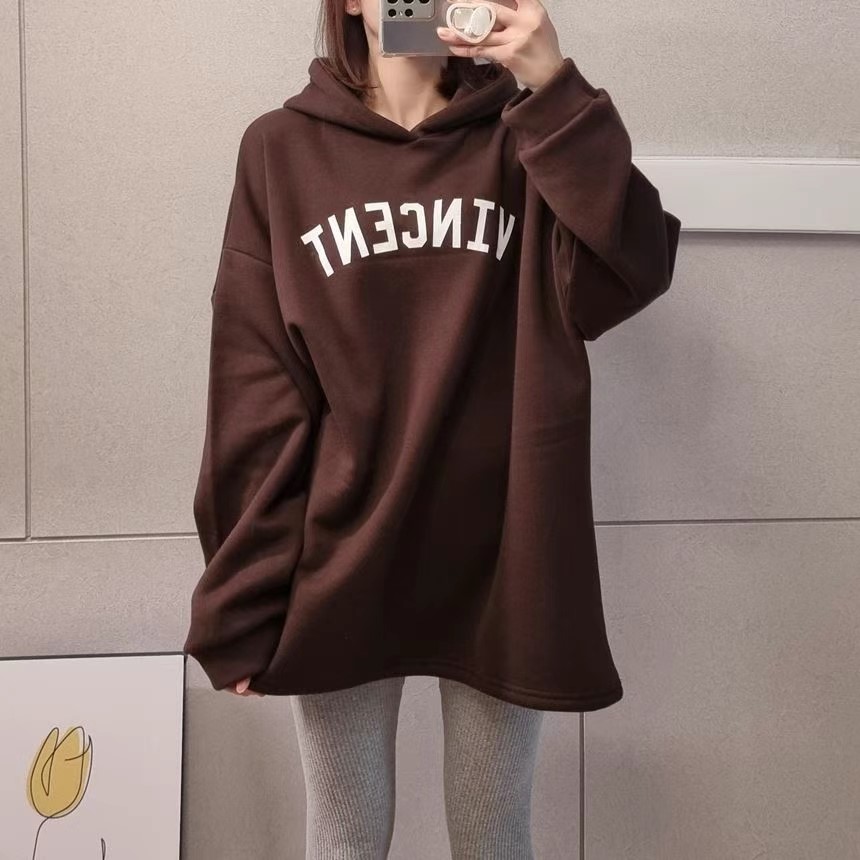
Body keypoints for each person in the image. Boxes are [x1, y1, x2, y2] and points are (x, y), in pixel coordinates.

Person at [183, 0, 681, 855]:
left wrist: (553, 86)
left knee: (494, 836)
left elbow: (633, 268)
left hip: (503, 551)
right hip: (340, 548)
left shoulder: (526, 140)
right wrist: (243, 596)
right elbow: (256, 382)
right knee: (345, 837)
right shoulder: (281, 148)